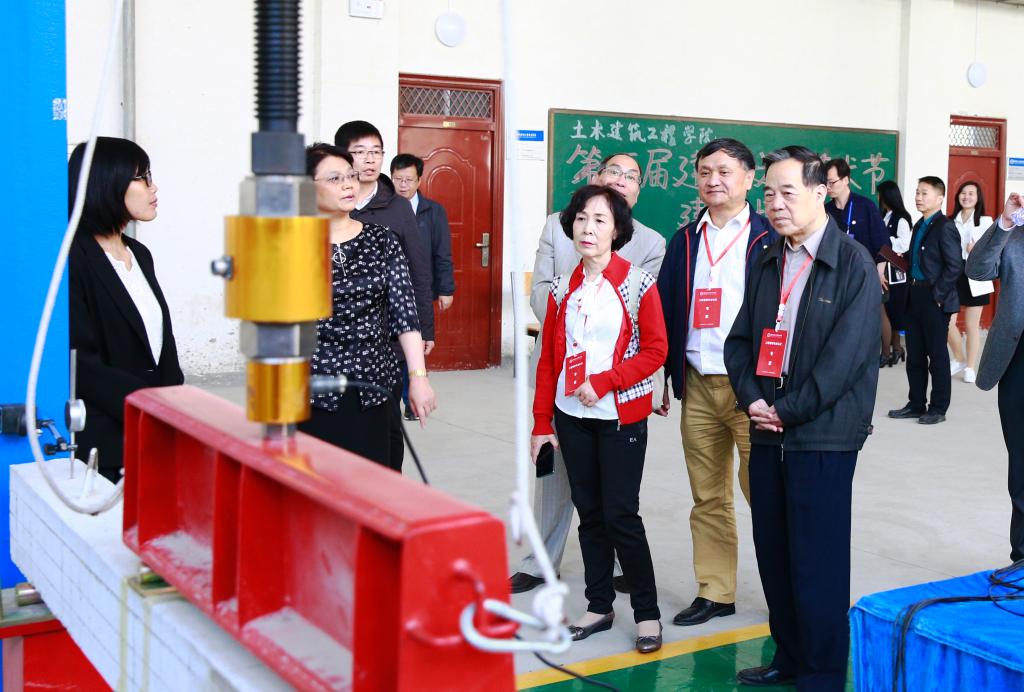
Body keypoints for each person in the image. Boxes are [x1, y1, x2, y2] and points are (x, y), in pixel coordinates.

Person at [725, 146, 880, 690]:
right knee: (775, 553)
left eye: (788, 192)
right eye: (769, 193)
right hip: (768, 429)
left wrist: (787, 411)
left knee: (818, 562)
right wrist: (753, 400)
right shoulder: (767, 257)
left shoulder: (853, 263)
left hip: (823, 435)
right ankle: (787, 657)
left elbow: (845, 360)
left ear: (820, 193)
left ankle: (820, 674)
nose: (776, 203)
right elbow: (740, 342)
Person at [510, 153, 666, 595]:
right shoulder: (558, 227)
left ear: (637, 192)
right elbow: (542, 291)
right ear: (596, 177)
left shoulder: (651, 243)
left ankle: (614, 566)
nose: (621, 180)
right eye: (613, 171)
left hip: (616, 386)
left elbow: (648, 326)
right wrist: (570, 323)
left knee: (613, 492)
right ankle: (540, 561)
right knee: (554, 474)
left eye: (631, 176)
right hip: (561, 371)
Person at [656, 137, 776, 627]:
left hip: (753, 389)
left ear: (749, 178)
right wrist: (664, 375)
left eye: (725, 171)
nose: (713, 180)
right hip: (698, 383)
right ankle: (715, 591)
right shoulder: (685, 239)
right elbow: (666, 309)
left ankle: (785, 594)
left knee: (766, 495)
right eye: (705, 172)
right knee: (707, 496)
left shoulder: (770, 237)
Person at [299, 144, 436, 468]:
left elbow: (405, 314)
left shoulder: (382, 240)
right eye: (334, 179)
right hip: (312, 389)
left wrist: (418, 377)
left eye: (350, 176)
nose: (348, 185)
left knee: (376, 481)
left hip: (374, 386)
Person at [68, 137, 184, 482]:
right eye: (142, 178)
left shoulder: (139, 253)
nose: (153, 187)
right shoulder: (74, 258)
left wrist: (175, 409)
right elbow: (82, 363)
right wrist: (147, 408)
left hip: (157, 434)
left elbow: (161, 344)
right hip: (104, 445)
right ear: (106, 182)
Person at [334, 121, 434, 470]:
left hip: (386, 340)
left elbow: (417, 271)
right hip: (332, 353)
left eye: (375, 152)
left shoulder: (396, 207)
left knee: (386, 436)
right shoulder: (328, 209)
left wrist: (425, 328)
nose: (369, 160)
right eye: (360, 152)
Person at [966, 191, 1024, 565]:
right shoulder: (1013, 234)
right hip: (1017, 361)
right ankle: (1021, 558)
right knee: (1020, 463)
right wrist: (1003, 223)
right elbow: (977, 270)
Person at [886, 176, 962, 425]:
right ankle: (916, 404)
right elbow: (919, 258)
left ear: (939, 198)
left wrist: (938, 295)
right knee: (915, 356)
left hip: (934, 298)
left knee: (937, 357)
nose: (918, 197)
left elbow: (955, 266)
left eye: (924, 193)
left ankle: (938, 408)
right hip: (914, 295)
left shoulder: (945, 226)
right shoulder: (919, 224)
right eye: (917, 192)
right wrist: (896, 256)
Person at [390, 153, 456, 421]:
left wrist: (446, 289)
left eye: (408, 180)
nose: (403, 185)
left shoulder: (433, 211)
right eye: (398, 179)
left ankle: (411, 400)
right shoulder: (386, 209)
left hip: (419, 288)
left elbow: (442, 252)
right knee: (394, 347)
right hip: (390, 289)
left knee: (415, 345)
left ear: (419, 180)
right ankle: (394, 398)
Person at [825, 158, 890, 368]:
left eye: (832, 182)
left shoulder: (865, 206)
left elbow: (882, 242)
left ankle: (872, 358)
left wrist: (879, 272)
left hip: (865, 272)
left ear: (845, 180)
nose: (828, 187)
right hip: (836, 274)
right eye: (825, 183)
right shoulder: (826, 210)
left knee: (867, 318)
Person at [948, 181, 994, 384]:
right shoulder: (950, 221)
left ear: (978, 197)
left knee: (972, 325)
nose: (966, 196)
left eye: (971, 193)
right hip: (954, 273)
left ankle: (970, 367)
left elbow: (993, 250)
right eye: (963, 193)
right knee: (947, 321)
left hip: (976, 275)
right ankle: (958, 358)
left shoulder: (985, 221)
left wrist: (977, 250)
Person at [877, 180, 913, 366]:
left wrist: (886, 240)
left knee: (894, 308)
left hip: (896, 271)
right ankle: (895, 349)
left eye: (880, 194)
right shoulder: (885, 215)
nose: (878, 198)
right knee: (886, 308)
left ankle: (894, 349)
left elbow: (904, 244)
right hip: (884, 267)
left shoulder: (901, 218)